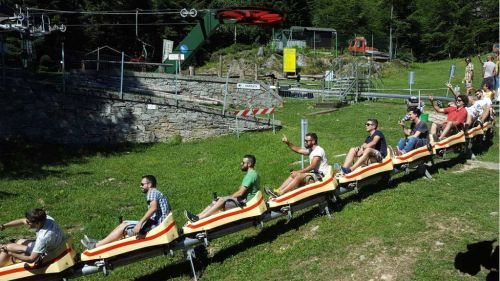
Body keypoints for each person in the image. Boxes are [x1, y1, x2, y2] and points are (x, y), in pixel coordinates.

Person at [81, 175, 171, 250]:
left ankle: (96, 246)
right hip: (159, 223)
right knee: (125, 223)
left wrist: (140, 223)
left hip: (156, 225)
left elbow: (153, 208)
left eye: (142, 184)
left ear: (149, 184)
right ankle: (99, 242)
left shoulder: (152, 192)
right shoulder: (157, 192)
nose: (140, 186)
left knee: (124, 225)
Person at [185, 155, 259, 222]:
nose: (241, 164)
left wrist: (227, 198)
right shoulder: (254, 174)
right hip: (244, 201)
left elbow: (240, 193)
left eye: (243, 162)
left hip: (245, 203)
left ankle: (199, 218)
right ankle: (197, 216)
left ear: (249, 164)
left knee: (221, 200)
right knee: (216, 201)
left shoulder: (250, 175)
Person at [265, 133, 328, 197]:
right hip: (314, 174)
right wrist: (288, 143)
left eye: (307, 141)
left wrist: (298, 172)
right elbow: (299, 150)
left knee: (299, 175)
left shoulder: (318, 151)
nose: (305, 142)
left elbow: (312, 166)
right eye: (304, 140)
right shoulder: (311, 150)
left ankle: (280, 193)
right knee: (293, 174)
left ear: (313, 141)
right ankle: (277, 191)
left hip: (320, 176)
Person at [0, 209, 66, 267]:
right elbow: (22, 221)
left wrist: (10, 253)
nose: (26, 223)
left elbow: (31, 259)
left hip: (47, 255)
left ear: (38, 223)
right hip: (56, 246)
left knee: (8, 247)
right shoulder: (46, 219)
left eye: (29, 222)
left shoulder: (43, 237)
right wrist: (4, 226)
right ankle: (12, 256)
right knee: (20, 241)